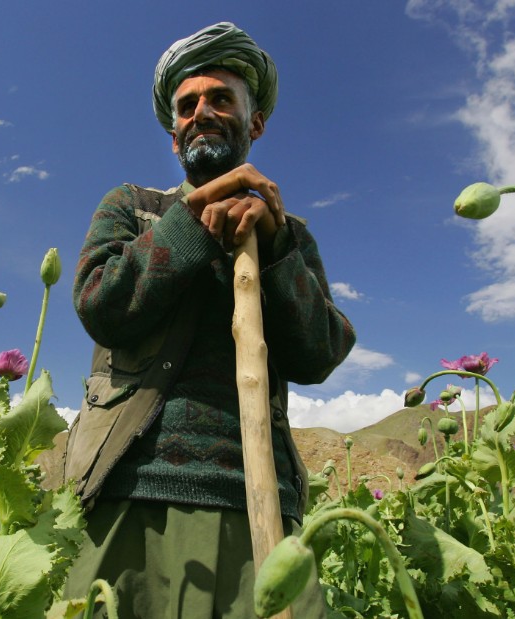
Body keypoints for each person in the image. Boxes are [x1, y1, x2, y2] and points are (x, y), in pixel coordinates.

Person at [63, 22, 355, 619]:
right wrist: (193, 221)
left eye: (221, 98)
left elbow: (321, 352)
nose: (202, 112)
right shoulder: (135, 209)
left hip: (256, 509)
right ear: (174, 136)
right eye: (187, 105)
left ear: (255, 124)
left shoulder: (288, 235)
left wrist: (274, 252)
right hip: (127, 497)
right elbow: (100, 304)